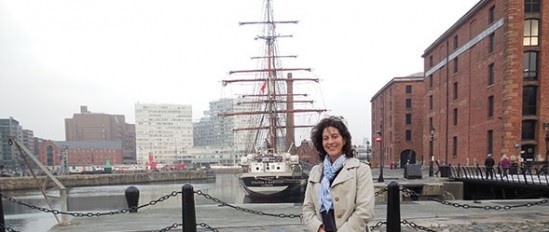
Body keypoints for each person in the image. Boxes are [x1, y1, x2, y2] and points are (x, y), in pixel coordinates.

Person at [302, 116, 375, 232]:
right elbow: (307, 208)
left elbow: (365, 211)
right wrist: (318, 228)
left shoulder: (361, 170)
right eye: (325, 138)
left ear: (344, 140)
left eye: (335, 137)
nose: (330, 142)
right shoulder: (316, 171)